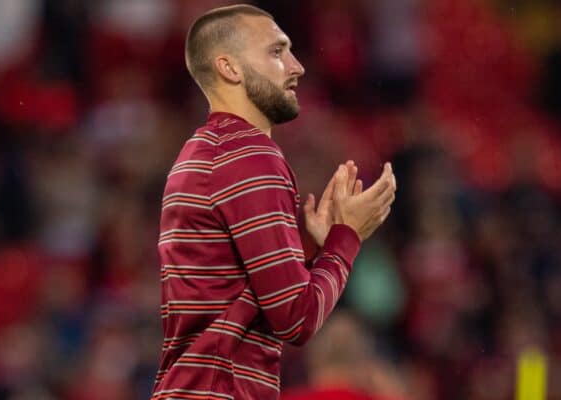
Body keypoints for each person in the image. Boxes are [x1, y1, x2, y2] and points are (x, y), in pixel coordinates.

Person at [152, 4, 397, 400]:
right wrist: (348, 237)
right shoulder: (251, 156)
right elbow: (295, 319)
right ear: (230, 68)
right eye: (277, 52)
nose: (297, 66)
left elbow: (235, 295)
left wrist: (310, 249)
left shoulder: (198, 153)